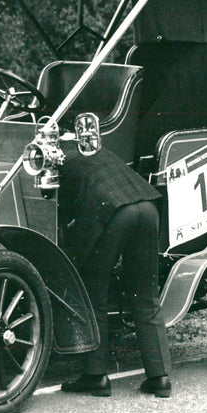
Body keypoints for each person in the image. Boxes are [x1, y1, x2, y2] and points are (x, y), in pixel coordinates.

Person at [59, 145, 173, 398]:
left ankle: (96, 375)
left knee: (92, 292)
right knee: (146, 294)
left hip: (113, 210)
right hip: (147, 206)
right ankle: (160, 377)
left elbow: (62, 215)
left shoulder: (55, 160)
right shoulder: (90, 148)